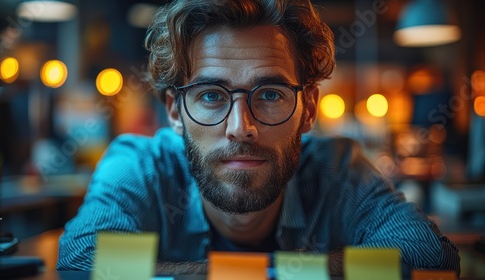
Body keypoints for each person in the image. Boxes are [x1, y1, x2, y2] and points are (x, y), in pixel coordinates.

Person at [57, 0, 460, 275]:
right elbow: (82, 258)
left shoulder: (337, 169)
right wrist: (290, 272)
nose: (240, 127)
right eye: (212, 96)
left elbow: (428, 253)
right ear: (175, 111)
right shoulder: (140, 166)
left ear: (309, 110)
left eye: (269, 95)